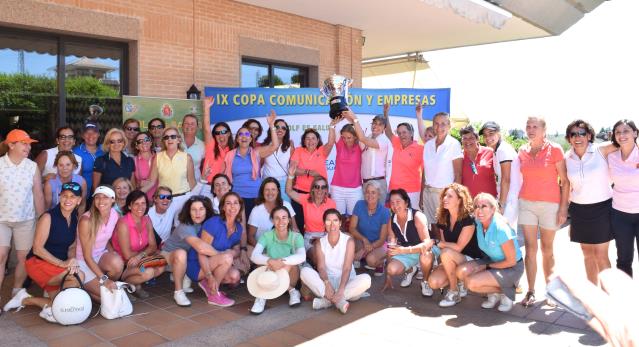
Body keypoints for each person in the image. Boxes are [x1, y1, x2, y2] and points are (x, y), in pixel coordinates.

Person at [2, 182, 84, 323]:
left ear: (79, 200)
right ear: (59, 197)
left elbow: (71, 246)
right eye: (64, 196)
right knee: (79, 276)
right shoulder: (48, 217)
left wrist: (72, 260)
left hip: (57, 267)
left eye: (72, 197)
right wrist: (63, 263)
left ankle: (25, 299)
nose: (68, 200)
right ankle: (48, 307)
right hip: (38, 263)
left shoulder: (75, 218)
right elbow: (37, 249)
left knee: (61, 304)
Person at [518, 116, 569, 307]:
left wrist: (564, 207)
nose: (531, 129)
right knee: (530, 249)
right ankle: (531, 291)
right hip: (527, 204)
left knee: (548, 250)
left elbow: (564, 181)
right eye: (528, 126)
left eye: (535, 126)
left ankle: (552, 292)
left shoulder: (555, 149)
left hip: (550, 205)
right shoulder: (522, 150)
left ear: (544, 130)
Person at [564, 120, 616, 285]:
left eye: (581, 133)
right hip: (579, 211)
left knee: (601, 255)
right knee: (587, 255)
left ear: (589, 136)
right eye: (573, 134)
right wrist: (564, 210)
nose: (577, 137)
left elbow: (628, 143)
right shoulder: (567, 157)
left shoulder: (602, 150)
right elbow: (566, 185)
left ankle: (609, 300)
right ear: (569, 138)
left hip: (602, 209)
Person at [0, 130, 45, 315]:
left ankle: (16, 291)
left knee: (23, 259)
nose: (28, 147)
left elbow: (38, 194)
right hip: (1, 219)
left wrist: (42, 220)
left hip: (26, 220)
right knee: (1, 256)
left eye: (29, 144)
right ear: (11, 145)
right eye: (23, 143)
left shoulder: (32, 166)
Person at [457, 193, 523, 312]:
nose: (479, 210)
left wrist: (486, 266)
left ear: (493, 209)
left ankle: (507, 292)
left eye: (484, 206)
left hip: (511, 267)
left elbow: (511, 261)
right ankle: (493, 293)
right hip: (491, 261)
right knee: (461, 272)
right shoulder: (478, 223)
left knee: (471, 283)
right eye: (476, 206)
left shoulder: (501, 228)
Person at [300, 209, 372, 314]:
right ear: (324, 223)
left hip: (347, 283)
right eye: (328, 221)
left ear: (340, 223)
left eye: (335, 220)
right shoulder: (320, 242)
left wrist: (341, 289)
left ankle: (328, 301)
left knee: (366, 279)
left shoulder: (349, 241)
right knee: (304, 271)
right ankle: (339, 301)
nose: (332, 224)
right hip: (328, 283)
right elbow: (321, 267)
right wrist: (327, 284)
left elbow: (347, 268)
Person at [427, 183, 483, 307]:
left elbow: (458, 247)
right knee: (434, 282)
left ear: (459, 200)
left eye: (450, 196)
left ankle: (454, 291)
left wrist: (436, 243)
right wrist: (442, 261)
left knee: (446, 253)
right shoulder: (443, 217)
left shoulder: (469, 219)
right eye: (444, 195)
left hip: (470, 258)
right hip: (451, 257)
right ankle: (459, 281)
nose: (445, 198)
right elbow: (444, 244)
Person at [187, 192, 247, 307]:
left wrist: (234, 252)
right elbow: (201, 252)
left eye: (236, 203)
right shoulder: (214, 222)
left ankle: (206, 284)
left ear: (240, 206)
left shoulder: (238, 227)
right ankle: (213, 294)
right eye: (228, 203)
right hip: (197, 265)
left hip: (215, 262)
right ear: (223, 207)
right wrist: (209, 275)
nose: (232, 206)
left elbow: (237, 249)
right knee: (227, 258)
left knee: (234, 276)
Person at [161, 195, 218, 306]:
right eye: (193, 209)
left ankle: (184, 274)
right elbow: (201, 247)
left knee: (189, 253)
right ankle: (178, 292)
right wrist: (221, 255)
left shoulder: (207, 223)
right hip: (168, 256)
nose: (198, 213)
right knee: (182, 253)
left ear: (207, 210)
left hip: (187, 257)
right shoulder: (185, 226)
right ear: (188, 211)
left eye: (201, 209)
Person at [222, 112, 279, 219]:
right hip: (237, 197)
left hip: (256, 196)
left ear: (251, 139)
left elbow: (275, 145)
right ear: (237, 139)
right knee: (240, 227)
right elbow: (224, 176)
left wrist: (272, 125)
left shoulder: (256, 152)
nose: (244, 137)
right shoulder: (230, 155)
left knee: (254, 226)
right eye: (241, 134)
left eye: (247, 134)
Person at [249, 206, 305, 314]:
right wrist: (270, 261)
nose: (281, 221)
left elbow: (302, 256)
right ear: (272, 220)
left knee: (290, 264)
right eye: (277, 218)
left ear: (289, 220)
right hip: (270, 271)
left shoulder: (296, 237)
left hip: (290, 274)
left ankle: (291, 290)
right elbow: (254, 256)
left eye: (284, 218)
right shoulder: (266, 236)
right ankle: (263, 296)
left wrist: (281, 262)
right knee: (262, 265)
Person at [416, 105, 463, 232]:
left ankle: (446, 251)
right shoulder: (428, 145)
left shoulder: (454, 144)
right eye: (436, 124)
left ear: (449, 126)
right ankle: (437, 251)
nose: (439, 127)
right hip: (428, 192)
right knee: (433, 228)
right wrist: (421, 194)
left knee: (446, 228)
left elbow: (458, 174)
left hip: (445, 194)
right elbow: (425, 172)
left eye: (443, 124)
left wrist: (456, 197)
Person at [111, 190, 165, 297]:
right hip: (124, 263)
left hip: (138, 258)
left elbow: (153, 246)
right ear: (130, 206)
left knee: (161, 265)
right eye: (136, 204)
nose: (140, 207)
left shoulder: (146, 220)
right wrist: (145, 255)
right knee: (148, 271)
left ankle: (133, 285)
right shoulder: (123, 223)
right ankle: (125, 284)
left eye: (143, 203)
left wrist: (141, 255)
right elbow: (127, 255)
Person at [76, 186, 123, 300]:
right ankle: (87, 288)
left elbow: (106, 238)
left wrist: (113, 255)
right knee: (109, 298)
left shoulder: (114, 214)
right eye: (97, 197)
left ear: (113, 200)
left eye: (105, 197)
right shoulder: (86, 221)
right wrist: (105, 280)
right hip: (84, 262)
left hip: (100, 256)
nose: (101, 201)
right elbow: (87, 257)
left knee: (117, 262)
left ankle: (100, 283)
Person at [383, 189, 433, 296]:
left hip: (424, 250)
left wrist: (404, 250)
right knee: (391, 269)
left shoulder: (417, 216)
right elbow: (391, 247)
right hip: (406, 251)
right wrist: (388, 276)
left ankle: (425, 281)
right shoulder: (391, 220)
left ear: (406, 203)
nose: (395, 205)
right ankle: (411, 269)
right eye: (392, 203)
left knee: (426, 255)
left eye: (398, 202)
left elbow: (427, 244)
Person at [289, 123, 337, 229]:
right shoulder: (298, 151)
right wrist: (309, 172)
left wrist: (332, 127)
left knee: (321, 223)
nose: (311, 141)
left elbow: (331, 142)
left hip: (319, 193)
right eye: (308, 139)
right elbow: (293, 170)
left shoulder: (322, 151)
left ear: (317, 140)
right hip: (300, 193)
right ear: (304, 140)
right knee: (299, 223)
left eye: (313, 138)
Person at [286, 163, 337, 261]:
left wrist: (324, 239)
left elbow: (333, 226)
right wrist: (291, 176)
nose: (320, 190)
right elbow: (289, 191)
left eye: (323, 187)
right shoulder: (306, 199)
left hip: (326, 236)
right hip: (310, 237)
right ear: (312, 189)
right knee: (318, 257)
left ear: (326, 190)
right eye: (317, 187)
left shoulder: (331, 203)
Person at [141, 127, 197, 216]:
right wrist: (137, 194)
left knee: (181, 229)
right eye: (166, 137)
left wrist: (196, 201)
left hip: (183, 200)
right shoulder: (158, 157)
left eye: (173, 136)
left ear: (178, 140)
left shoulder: (187, 157)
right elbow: (151, 182)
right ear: (164, 141)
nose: (169, 139)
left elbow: (192, 182)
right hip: (163, 201)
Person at [608, 119, 639, 277]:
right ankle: (625, 297)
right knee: (623, 260)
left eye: (626, 131)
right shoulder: (611, 157)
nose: (621, 135)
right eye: (618, 132)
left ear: (635, 133)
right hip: (620, 215)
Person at [479, 121, 522, 229]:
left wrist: (501, 204)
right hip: (507, 197)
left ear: (499, 133)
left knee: (505, 232)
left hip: (510, 198)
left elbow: (506, 179)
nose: (488, 137)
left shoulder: (503, 150)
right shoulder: (497, 150)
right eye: (485, 135)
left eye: (491, 134)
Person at [342, 109, 391, 203]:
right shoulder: (368, 137)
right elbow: (356, 128)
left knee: (378, 214)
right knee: (367, 214)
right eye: (374, 123)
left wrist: (355, 118)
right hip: (365, 183)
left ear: (384, 129)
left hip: (378, 183)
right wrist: (345, 111)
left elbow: (362, 138)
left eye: (380, 124)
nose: (376, 126)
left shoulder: (384, 140)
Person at [384, 106, 424, 210]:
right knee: (395, 220)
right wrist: (385, 114)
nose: (402, 135)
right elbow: (388, 132)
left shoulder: (420, 149)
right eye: (399, 133)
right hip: (394, 191)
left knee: (412, 221)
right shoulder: (397, 143)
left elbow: (426, 173)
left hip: (412, 192)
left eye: (404, 132)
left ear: (411, 133)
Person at [348, 180, 389, 276]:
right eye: (367, 192)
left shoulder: (385, 211)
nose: (370, 195)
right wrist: (364, 240)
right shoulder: (359, 204)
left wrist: (363, 250)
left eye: (373, 192)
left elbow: (382, 239)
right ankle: (360, 257)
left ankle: (381, 263)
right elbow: (352, 228)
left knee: (370, 260)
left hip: (378, 244)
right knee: (347, 238)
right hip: (362, 241)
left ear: (379, 195)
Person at [248, 177, 299, 247]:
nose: (270, 193)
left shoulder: (286, 205)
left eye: (273, 189)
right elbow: (250, 237)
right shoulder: (256, 210)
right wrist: (263, 249)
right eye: (267, 190)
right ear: (262, 192)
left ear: (278, 191)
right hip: (263, 249)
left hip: (285, 247)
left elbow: (295, 229)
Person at [330, 123, 363, 217]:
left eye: (349, 137)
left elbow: (362, 136)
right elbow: (333, 128)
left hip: (355, 189)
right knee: (338, 218)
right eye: (343, 137)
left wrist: (354, 119)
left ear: (355, 137)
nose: (346, 140)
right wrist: (333, 122)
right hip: (337, 188)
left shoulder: (360, 145)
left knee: (354, 219)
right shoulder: (340, 144)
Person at [201, 97, 234, 183]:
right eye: (217, 133)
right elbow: (206, 129)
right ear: (214, 136)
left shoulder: (234, 150)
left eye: (223, 132)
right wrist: (206, 108)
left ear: (229, 134)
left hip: (226, 187)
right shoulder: (211, 145)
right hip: (208, 186)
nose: (220, 135)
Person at [261, 118, 295, 202]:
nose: (280, 129)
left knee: (285, 210)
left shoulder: (290, 146)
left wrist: (292, 182)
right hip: (267, 183)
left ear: (286, 131)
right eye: (277, 127)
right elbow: (259, 165)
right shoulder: (265, 145)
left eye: (283, 128)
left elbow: (292, 167)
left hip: (283, 184)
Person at [460, 125, 497, 198]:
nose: (468, 141)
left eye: (471, 138)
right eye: (464, 138)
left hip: (489, 202)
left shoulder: (490, 152)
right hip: (468, 203)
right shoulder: (459, 157)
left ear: (478, 139)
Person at [73, 122, 104, 197]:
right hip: (83, 194)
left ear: (98, 134)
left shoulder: (104, 150)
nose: (91, 136)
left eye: (94, 132)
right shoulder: (76, 152)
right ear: (83, 135)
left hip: (103, 193)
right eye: (87, 133)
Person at [131, 131, 157, 201]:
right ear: (136, 146)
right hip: (143, 201)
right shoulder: (133, 161)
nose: (144, 143)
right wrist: (139, 184)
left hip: (161, 200)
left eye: (146, 140)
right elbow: (131, 185)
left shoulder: (160, 157)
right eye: (140, 141)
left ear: (151, 142)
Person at [182, 114, 205, 183]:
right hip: (177, 185)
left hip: (195, 184)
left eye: (192, 124)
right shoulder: (174, 141)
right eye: (186, 123)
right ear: (182, 126)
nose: (189, 126)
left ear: (197, 127)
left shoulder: (202, 145)